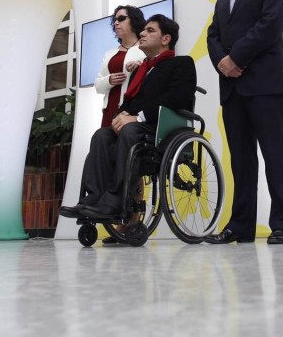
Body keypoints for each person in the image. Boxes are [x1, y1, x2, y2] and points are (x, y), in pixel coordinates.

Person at [205, 0, 283, 245]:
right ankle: (240, 226)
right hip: (232, 88)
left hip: (264, 84)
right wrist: (222, 62)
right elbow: (212, 35)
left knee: (275, 155)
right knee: (240, 162)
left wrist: (235, 57)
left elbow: (270, 24)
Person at [60, 14, 196, 220]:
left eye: (150, 30)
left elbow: (177, 97)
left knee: (130, 130)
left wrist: (138, 117)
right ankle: (93, 199)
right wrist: (119, 116)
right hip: (139, 129)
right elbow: (130, 102)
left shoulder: (182, 63)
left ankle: (114, 201)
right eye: (143, 30)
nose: (142, 33)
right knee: (102, 135)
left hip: (162, 129)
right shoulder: (142, 70)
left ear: (166, 39)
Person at [94, 5, 147, 127]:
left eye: (121, 18)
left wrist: (141, 65)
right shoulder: (109, 54)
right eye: (115, 20)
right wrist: (109, 80)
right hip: (110, 108)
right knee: (105, 142)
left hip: (132, 111)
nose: (116, 23)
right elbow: (98, 85)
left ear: (134, 20)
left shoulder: (146, 49)